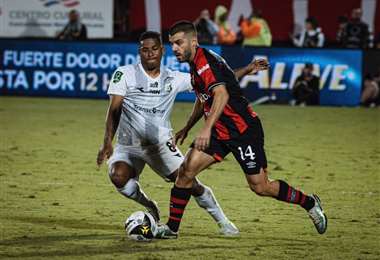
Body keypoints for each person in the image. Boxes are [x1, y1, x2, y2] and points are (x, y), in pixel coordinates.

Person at [156, 21, 327, 239]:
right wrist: (188, 127)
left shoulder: (204, 62)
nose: (175, 48)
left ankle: (310, 203)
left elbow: (222, 95)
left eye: (179, 43)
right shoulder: (200, 62)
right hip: (219, 130)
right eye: (172, 44)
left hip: (243, 130)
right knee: (186, 171)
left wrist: (206, 129)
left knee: (260, 186)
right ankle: (171, 229)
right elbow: (208, 93)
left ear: (193, 41)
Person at [96, 31, 268, 236]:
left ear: (161, 51)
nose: (149, 53)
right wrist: (107, 141)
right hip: (128, 145)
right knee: (118, 176)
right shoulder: (124, 74)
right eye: (144, 49)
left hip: (159, 145)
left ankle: (223, 221)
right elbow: (114, 109)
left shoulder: (174, 78)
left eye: (154, 49)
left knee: (189, 182)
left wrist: (247, 69)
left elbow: (217, 81)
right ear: (139, 52)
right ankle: (150, 206)